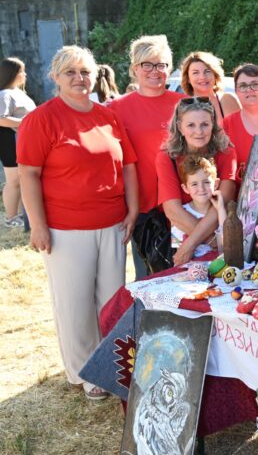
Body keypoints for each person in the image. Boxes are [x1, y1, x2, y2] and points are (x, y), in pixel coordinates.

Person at [17, 45, 138, 400]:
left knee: (112, 301)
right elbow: (28, 174)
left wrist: (132, 210)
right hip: (65, 228)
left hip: (113, 223)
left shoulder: (108, 116)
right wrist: (37, 225)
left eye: (85, 71)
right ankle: (87, 372)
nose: (79, 78)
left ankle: (115, 365)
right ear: (54, 77)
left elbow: (128, 165)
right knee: (75, 304)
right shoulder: (42, 119)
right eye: (70, 72)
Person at [109, 34, 185, 279]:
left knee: (186, 273)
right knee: (148, 275)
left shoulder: (183, 104)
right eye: (147, 65)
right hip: (141, 204)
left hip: (184, 201)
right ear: (135, 69)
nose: (155, 71)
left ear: (169, 69)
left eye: (161, 65)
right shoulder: (116, 108)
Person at [157, 97, 237, 265]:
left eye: (204, 124)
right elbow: (173, 210)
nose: (199, 131)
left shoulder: (226, 151)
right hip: (183, 240)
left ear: (213, 124)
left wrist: (191, 244)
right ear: (180, 127)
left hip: (213, 242)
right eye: (191, 125)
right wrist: (214, 242)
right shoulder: (167, 157)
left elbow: (223, 200)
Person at [0, 57, 36, 227]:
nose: (25, 74)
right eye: (22, 71)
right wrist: (26, 123)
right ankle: (11, 217)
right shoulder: (5, 94)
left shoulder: (19, 92)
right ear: (13, 73)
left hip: (23, 140)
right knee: (13, 181)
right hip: (10, 140)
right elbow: (1, 119)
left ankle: (22, 216)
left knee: (23, 179)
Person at [171, 156, 226, 258]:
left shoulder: (220, 209)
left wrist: (221, 209)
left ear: (216, 184)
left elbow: (226, 243)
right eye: (194, 184)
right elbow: (180, 252)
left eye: (206, 182)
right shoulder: (182, 213)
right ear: (186, 188)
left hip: (220, 266)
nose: (201, 188)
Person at [180, 51, 241, 122]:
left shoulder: (228, 100)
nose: (202, 77)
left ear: (215, 74)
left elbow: (242, 130)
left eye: (207, 71)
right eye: (195, 73)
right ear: (188, 79)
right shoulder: (183, 109)